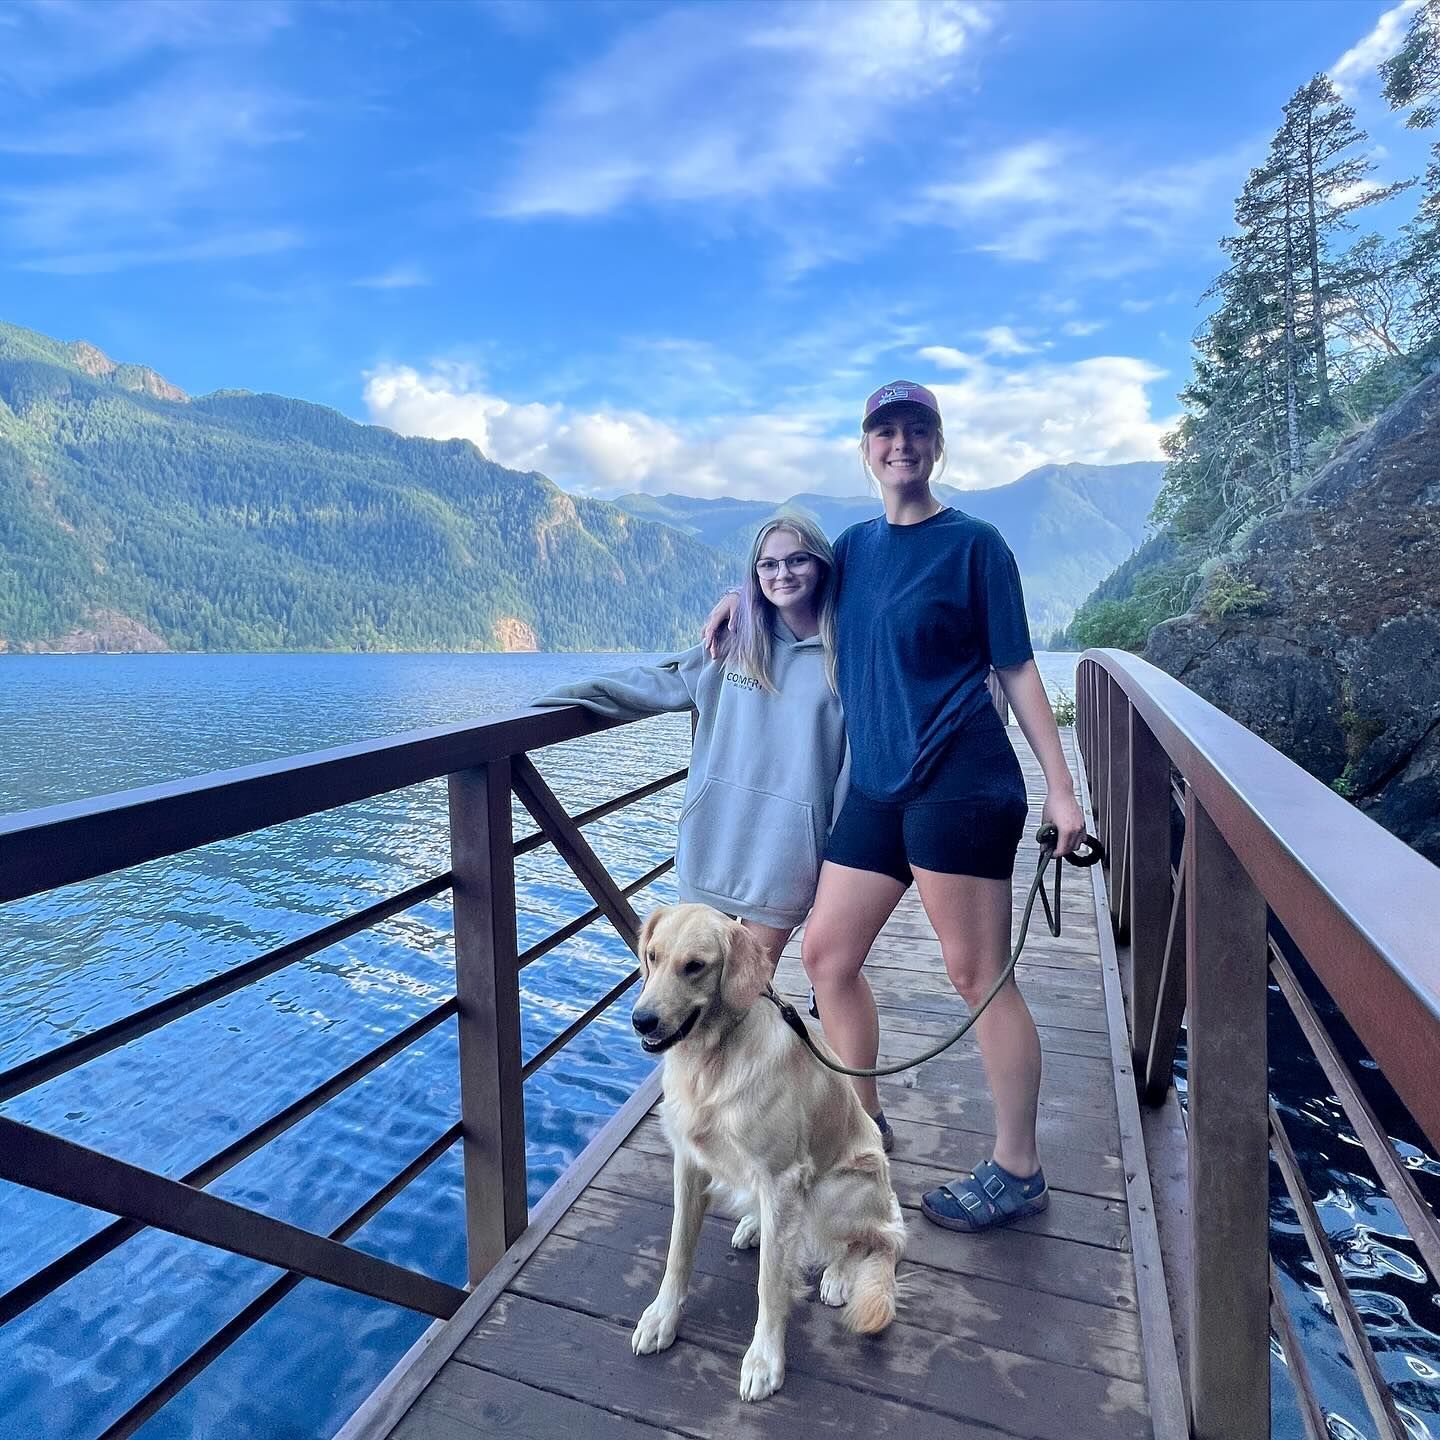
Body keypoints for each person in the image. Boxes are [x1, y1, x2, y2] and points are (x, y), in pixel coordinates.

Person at [703, 380, 1085, 1229]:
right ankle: (859, 1128)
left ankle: (1018, 1168)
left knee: (976, 975)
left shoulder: (976, 547)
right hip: (877, 786)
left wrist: (1061, 789)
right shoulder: (856, 548)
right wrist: (744, 598)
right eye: (885, 432)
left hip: (961, 780)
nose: (899, 444)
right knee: (828, 956)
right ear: (866, 448)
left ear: (936, 445)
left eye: (916, 431)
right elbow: (795, 592)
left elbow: (1018, 668)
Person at [533, 514, 847, 978]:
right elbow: (660, 680)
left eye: (797, 560)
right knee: (687, 985)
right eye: (769, 565)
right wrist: (562, 698)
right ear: (755, 575)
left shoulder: (845, 658)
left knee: (747, 991)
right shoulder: (734, 644)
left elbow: (849, 768)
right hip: (712, 841)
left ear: (820, 565)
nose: (783, 574)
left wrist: (836, 857)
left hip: (786, 857)